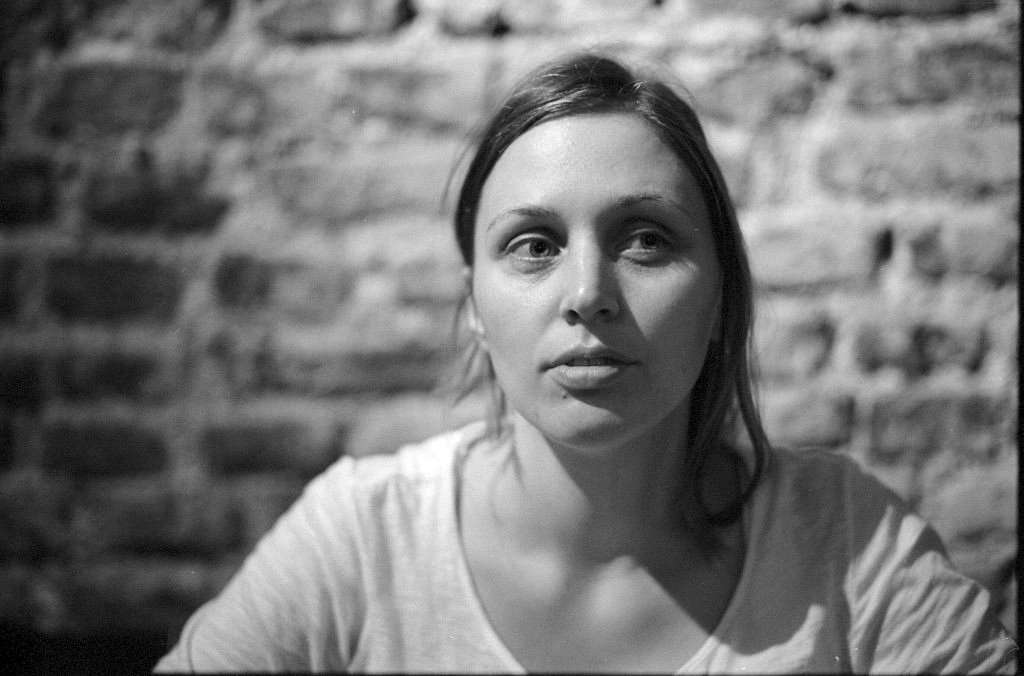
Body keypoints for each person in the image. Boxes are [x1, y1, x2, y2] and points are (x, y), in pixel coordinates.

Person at [155, 53, 1016, 673]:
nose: (588, 293)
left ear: (720, 296)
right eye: (532, 245)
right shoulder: (361, 538)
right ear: (476, 309)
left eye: (646, 240)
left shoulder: (847, 545)